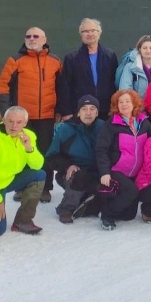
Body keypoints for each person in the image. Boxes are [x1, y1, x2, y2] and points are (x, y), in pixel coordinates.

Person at [0, 26, 62, 203]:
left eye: (36, 36)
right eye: (28, 36)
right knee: (21, 152)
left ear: (44, 39)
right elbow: (3, 86)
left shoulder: (55, 61)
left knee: (44, 152)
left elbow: (62, 87)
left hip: (46, 116)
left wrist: (60, 110)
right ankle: (21, 187)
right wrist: (6, 112)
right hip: (22, 118)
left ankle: (45, 188)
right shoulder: (15, 60)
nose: (32, 39)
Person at [0, 107, 46, 236]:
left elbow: (38, 165)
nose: (14, 126)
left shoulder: (28, 136)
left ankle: (23, 221)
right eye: (10, 121)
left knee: (39, 175)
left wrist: (28, 148)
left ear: (25, 123)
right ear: (4, 120)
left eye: (19, 122)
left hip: (10, 179)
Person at [95, 89, 151, 230]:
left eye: (127, 101)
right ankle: (106, 215)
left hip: (136, 172)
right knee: (132, 191)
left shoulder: (144, 122)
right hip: (116, 170)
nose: (124, 104)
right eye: (120, 102)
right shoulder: (111, 125)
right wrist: (104, 172)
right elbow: (101, 149)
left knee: (129, 215)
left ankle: (99, 204)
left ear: (134, 104)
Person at [45, 95, 107, 223]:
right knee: (80, 176)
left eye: (92, 109)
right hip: (72, 174)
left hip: (96, 173)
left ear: (97, 112)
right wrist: (68, 165)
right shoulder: (66, 128)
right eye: (84, 109)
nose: (88, 113)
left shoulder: (103, 127)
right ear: (78, 112)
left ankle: (86, 203)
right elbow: (51, 157)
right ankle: (66, 209)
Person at [58, 17, 118, 121]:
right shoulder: (71, 58)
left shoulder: (110, 56)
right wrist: (66, 112)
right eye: (85, 31)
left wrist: (113, 107)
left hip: (105, 110)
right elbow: (65, 87)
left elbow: (114, 83)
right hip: (80, 111)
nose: (89, 34)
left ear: (99, 33)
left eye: (93, 30)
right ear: (81, 34)